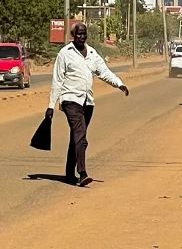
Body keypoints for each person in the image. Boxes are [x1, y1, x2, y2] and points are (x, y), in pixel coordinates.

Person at [46, 23, 129, 186]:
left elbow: (104, 72)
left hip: (87, 102)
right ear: (73, 35)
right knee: (80, 135)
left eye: (84, 34)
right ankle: (82, 172)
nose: (81, 37)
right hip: (70, 100)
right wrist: (51, 105)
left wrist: (119, 84)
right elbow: (57, 80)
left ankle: (69, 173)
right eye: (79, 34)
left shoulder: (92, 53)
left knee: (76, 137)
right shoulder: (65, 53)